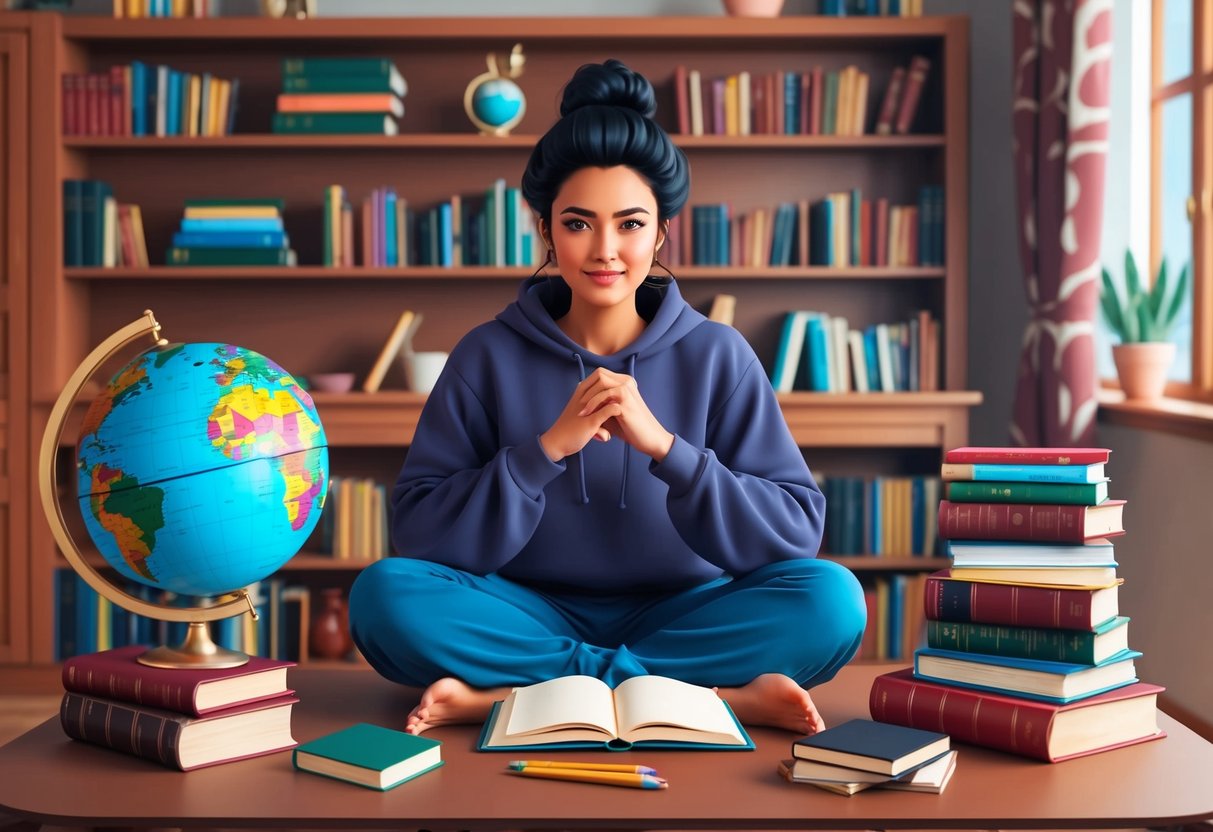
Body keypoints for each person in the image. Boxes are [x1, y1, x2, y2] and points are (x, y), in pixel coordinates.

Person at [349, 59, 865, 737]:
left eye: (628, 224)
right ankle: (710, 700)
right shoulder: (486, 353)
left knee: (831, 601)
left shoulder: (718, 354)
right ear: (544, 229)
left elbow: (795, 530)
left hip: (685, 609)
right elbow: (417, 531)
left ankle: (508, 699)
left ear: (660, 232)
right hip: (525, 608)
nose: (605, 250)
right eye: (577, 223)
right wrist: (541, 454)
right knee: (383, 597)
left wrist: (666, 451)